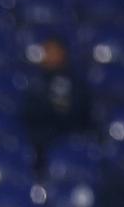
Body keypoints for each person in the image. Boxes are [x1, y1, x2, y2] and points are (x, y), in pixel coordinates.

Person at [21, 37, 94, 168]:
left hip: (72, 132)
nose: (49, 55)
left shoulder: (75, 82)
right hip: (42, 137)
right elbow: (29, 111)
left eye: (53, 51)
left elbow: (81, 109)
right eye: (46, 51)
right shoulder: (34, 82)